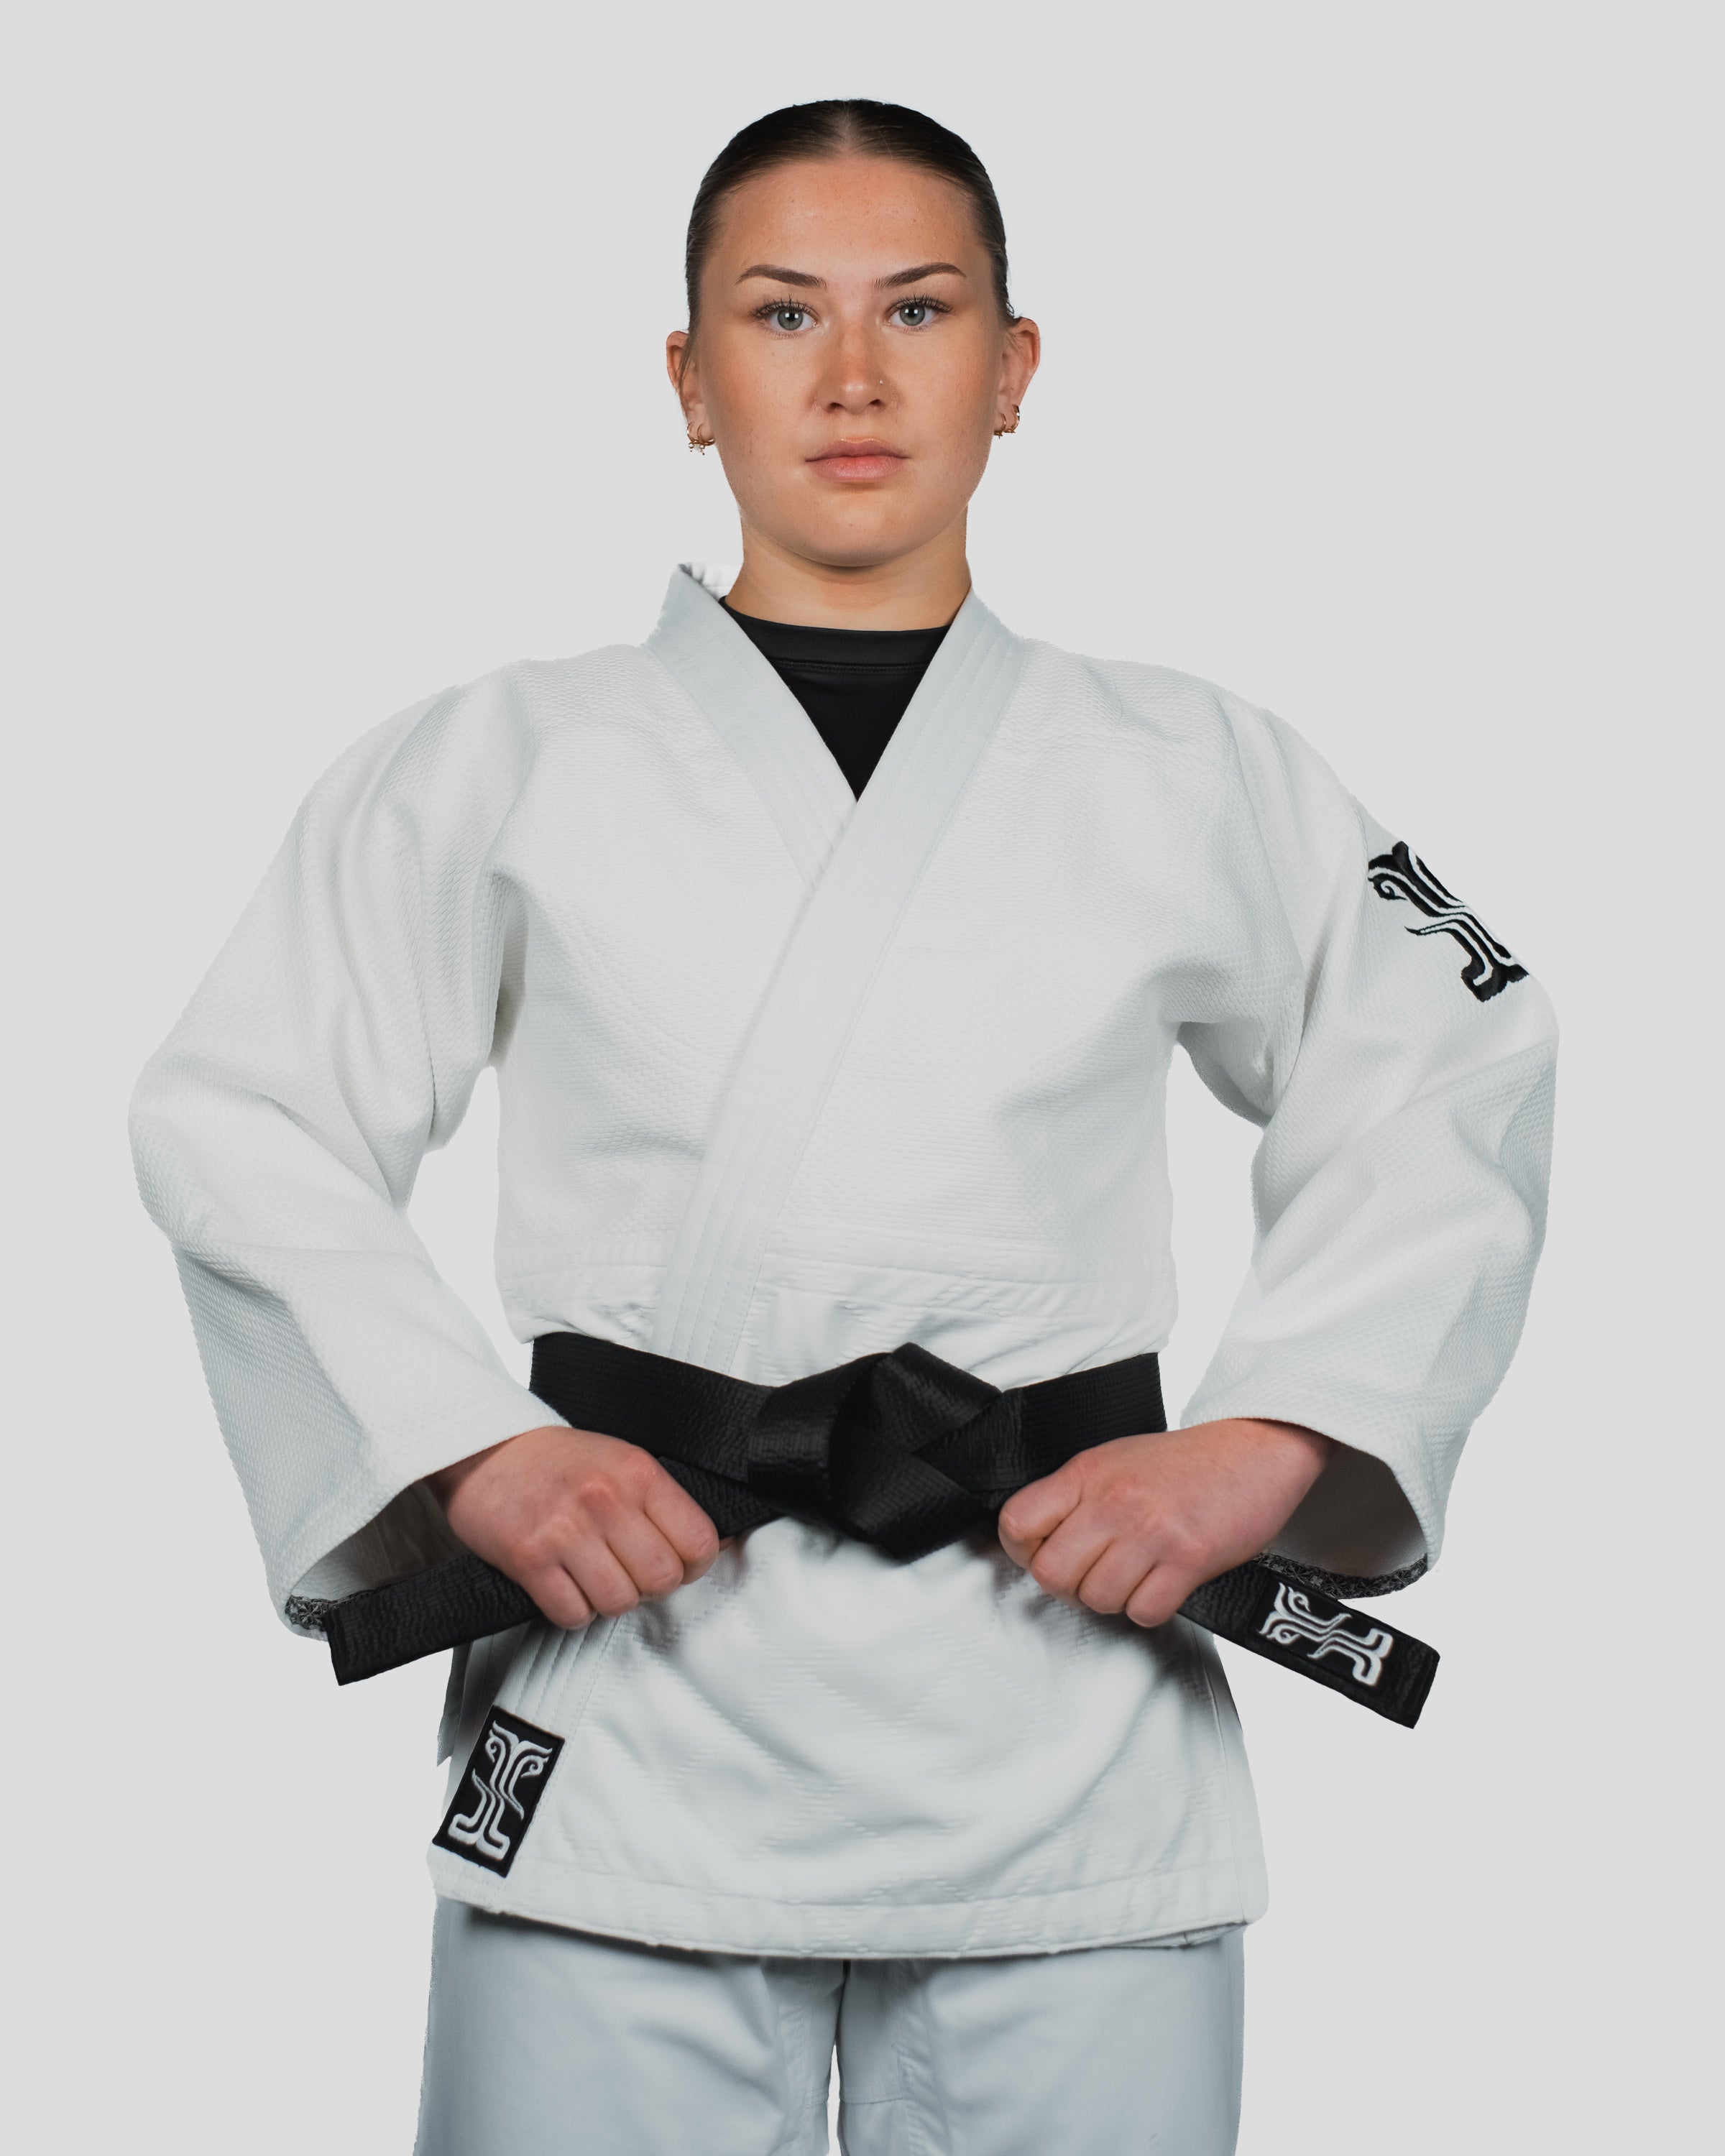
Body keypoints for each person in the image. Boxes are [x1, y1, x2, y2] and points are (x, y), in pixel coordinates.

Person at [129, 98, 1558, 2156]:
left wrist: (1276, 1442)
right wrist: (472, 1451)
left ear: (1017, 365)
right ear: (693, 381)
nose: (858, 376)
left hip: (1067, 1718)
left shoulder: (1197, 764)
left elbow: (1464, 1049)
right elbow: (238, 1108)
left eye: (921, 309)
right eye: (783, 314)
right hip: (630, 1712)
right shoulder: (492, 759)